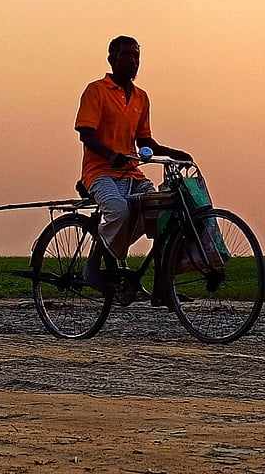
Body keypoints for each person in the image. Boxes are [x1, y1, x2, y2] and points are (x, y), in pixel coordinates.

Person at [75, 35, 191, 289]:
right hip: (100, 172)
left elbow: (145, 142)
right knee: (119, 211)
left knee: (161, 212)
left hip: (132, 174)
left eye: (136, 56)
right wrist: (110, 155)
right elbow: (86, 133)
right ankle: (93, 267)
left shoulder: (141, 97)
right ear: (112, 59)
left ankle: (163, 286)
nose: (132, 61)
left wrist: (174, 153)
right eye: (126, 55)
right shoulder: (96, 91)